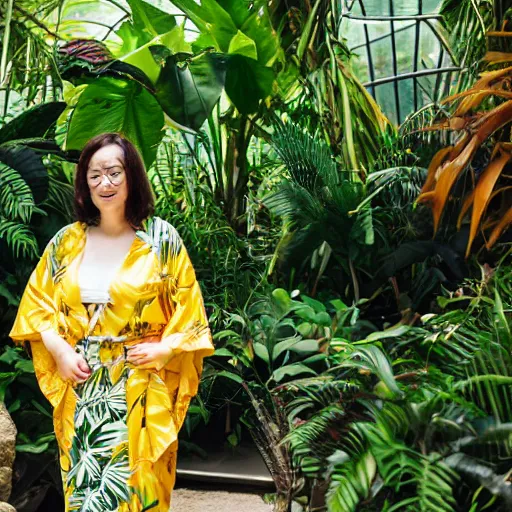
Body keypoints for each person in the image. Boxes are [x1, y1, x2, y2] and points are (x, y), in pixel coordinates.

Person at [9, 133, 214, 512]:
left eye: (114, 172)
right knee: (88, 492)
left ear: (132, 176)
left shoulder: (160, 239)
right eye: (94, 175)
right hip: (85, 390)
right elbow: (37, 306)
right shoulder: (66, 242)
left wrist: (166, 348)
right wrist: (57, 349)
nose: (105, 183)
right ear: (84, 185)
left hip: (140, 386)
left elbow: (191, 310)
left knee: (141, 490)